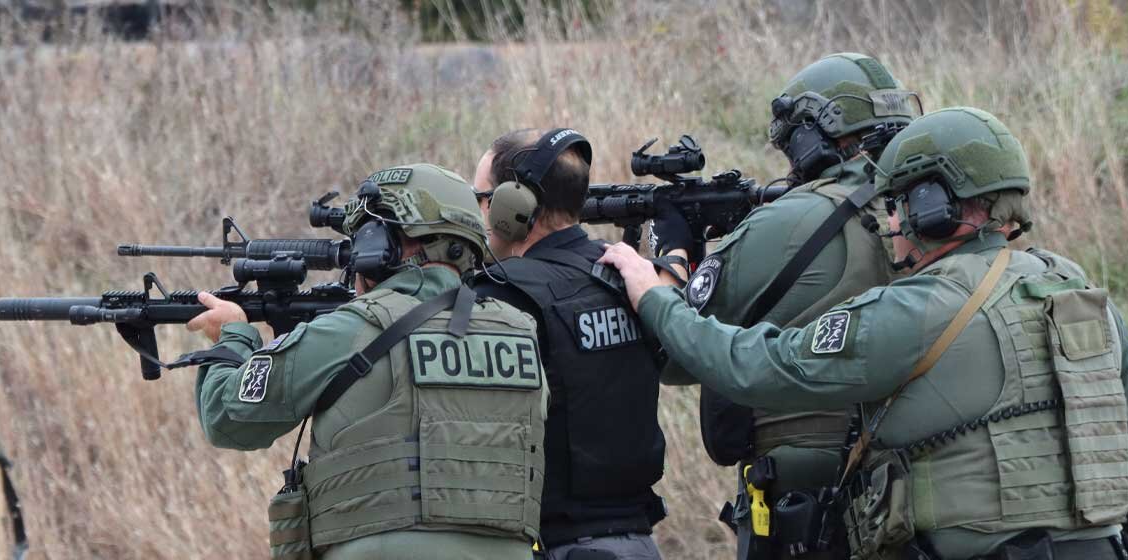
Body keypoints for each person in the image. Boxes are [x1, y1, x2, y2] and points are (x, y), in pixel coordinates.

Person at [600, 108, 1128, 559]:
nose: (892, 223)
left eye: (899, 203)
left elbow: (752, 367)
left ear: (933, 205)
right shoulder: (1073, 291)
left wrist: (655, 296)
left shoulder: (922, 306)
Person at [185, 163, 548, 560]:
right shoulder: (520, 334)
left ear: (384, 242)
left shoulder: (352, 329)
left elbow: (227, 417)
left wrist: (233, 336)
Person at [654, 53, 921, 560]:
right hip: (919, 488)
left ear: (809, 136)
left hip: (812, 497)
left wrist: (671, 255)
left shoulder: (787, 220)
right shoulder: (933, 214)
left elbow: (672, 354)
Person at [470, 128, 670, 560]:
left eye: (482, 199)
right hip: (638, 541)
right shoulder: (629, 275)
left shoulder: (505, 293)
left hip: (560, 546)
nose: (478, 214)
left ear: (513, 206)